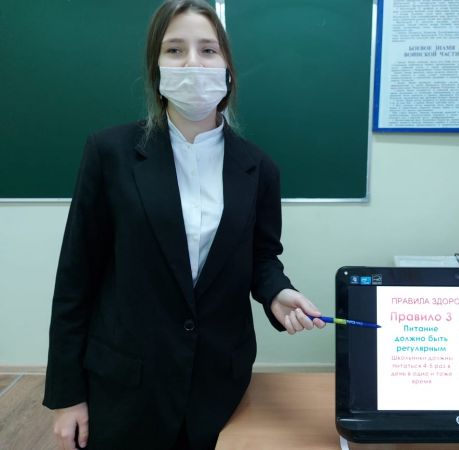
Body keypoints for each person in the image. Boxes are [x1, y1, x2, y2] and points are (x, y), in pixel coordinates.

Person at [43, 1, 326, 449]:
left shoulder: (258, 168)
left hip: (216, 387)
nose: (193, 63)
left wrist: (277, 292)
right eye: (175, 50)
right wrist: (66, 396)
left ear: (228, 69)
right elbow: (75, 279)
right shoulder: (109, 153)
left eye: (208, 50)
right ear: (155, 68)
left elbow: (261, 257)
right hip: (127, 387)